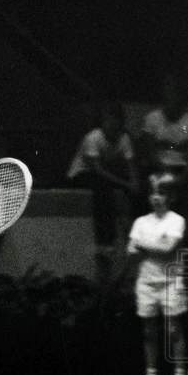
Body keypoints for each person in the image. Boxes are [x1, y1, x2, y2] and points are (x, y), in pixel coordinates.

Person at [125, 173, 188, 375]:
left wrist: (143, 245)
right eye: (153, 193)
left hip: (171, 281)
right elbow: (131, 252)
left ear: (171, 196)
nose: (156, 197)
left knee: (173, 329)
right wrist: (153, 245)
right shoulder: (140, 222)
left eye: (161, 193)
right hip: (146, 282)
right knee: (149, 331)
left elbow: (167, 249)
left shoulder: (177, 220)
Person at [67, 102, 139, 282]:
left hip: (107, 177)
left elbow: (131, 167)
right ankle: (105, 241)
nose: (111, 124)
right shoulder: (93, 137)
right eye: (108, 119)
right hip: (81, 175)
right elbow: (98, 170)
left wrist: (135, 183)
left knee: (135, 189)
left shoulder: (124, 139)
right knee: (103, 187)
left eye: (115, 120)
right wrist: (125, 183)